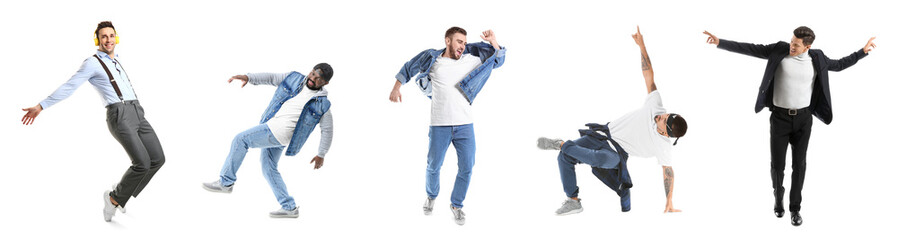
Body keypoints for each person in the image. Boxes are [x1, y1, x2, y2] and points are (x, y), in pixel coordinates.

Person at [703, 27, 876, 226]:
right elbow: (751, 49)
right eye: (791, 41)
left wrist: (862, 52)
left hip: (804, 119)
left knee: (799, 166)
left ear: (807, 47)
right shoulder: (779, 50)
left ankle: (795, 209)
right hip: (779, 118)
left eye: (796, 44)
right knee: (777, 166)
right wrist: (720, 42)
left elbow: (839, 65)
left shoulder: (817, 58)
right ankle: (778, 197)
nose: (791, 46)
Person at [20, 21, 165, 222]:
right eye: (104, 36)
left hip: (137, 111)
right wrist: (41, 106)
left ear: (117, 38)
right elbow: (69, 86)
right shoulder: (92, 63)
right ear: (97, 39)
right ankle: (113, 199)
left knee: (158, 159)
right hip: (119, 115)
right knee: (142, 163)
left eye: (111, 36)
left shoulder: (117, 60)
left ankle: (121, 193)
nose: (108, 40)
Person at [538, 27, 687, 215]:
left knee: (598, 159)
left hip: (616, 154)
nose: (660, 116)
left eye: (662, 120)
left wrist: (669, 201)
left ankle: (561, 143)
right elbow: (649, 76)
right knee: (564, 157)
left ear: (666, 133)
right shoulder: (656, 106)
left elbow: (668, 172)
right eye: (665, 115)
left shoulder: (663, 145)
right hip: (601, 135)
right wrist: (642, 46)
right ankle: (573, 200)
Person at [389, 26, 505, 225]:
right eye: (459, 41)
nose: (463, 46)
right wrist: (396, 88)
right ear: (448, 40)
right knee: (433, 166)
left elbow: (498, 60)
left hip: (465, 126)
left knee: (467, 167)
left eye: (465, 43)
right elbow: (409, 68)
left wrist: (493, 41)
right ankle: (431, 196)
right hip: (439, 125)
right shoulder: (432, 60)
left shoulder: (472, 59)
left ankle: (456, 205)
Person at [202, 64, 334, 218]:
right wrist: (249, 77)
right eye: (312, 74)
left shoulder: (323, 105)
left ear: (325, 83)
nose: (312, 79)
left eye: (318, 79)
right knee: (268, 167)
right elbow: (271, 77)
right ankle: (289, 207)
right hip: (274, 128)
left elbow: (327, 130)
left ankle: (226, 182)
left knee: (240, 140)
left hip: (279, 131)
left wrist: (321, 154)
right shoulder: (294, 78)